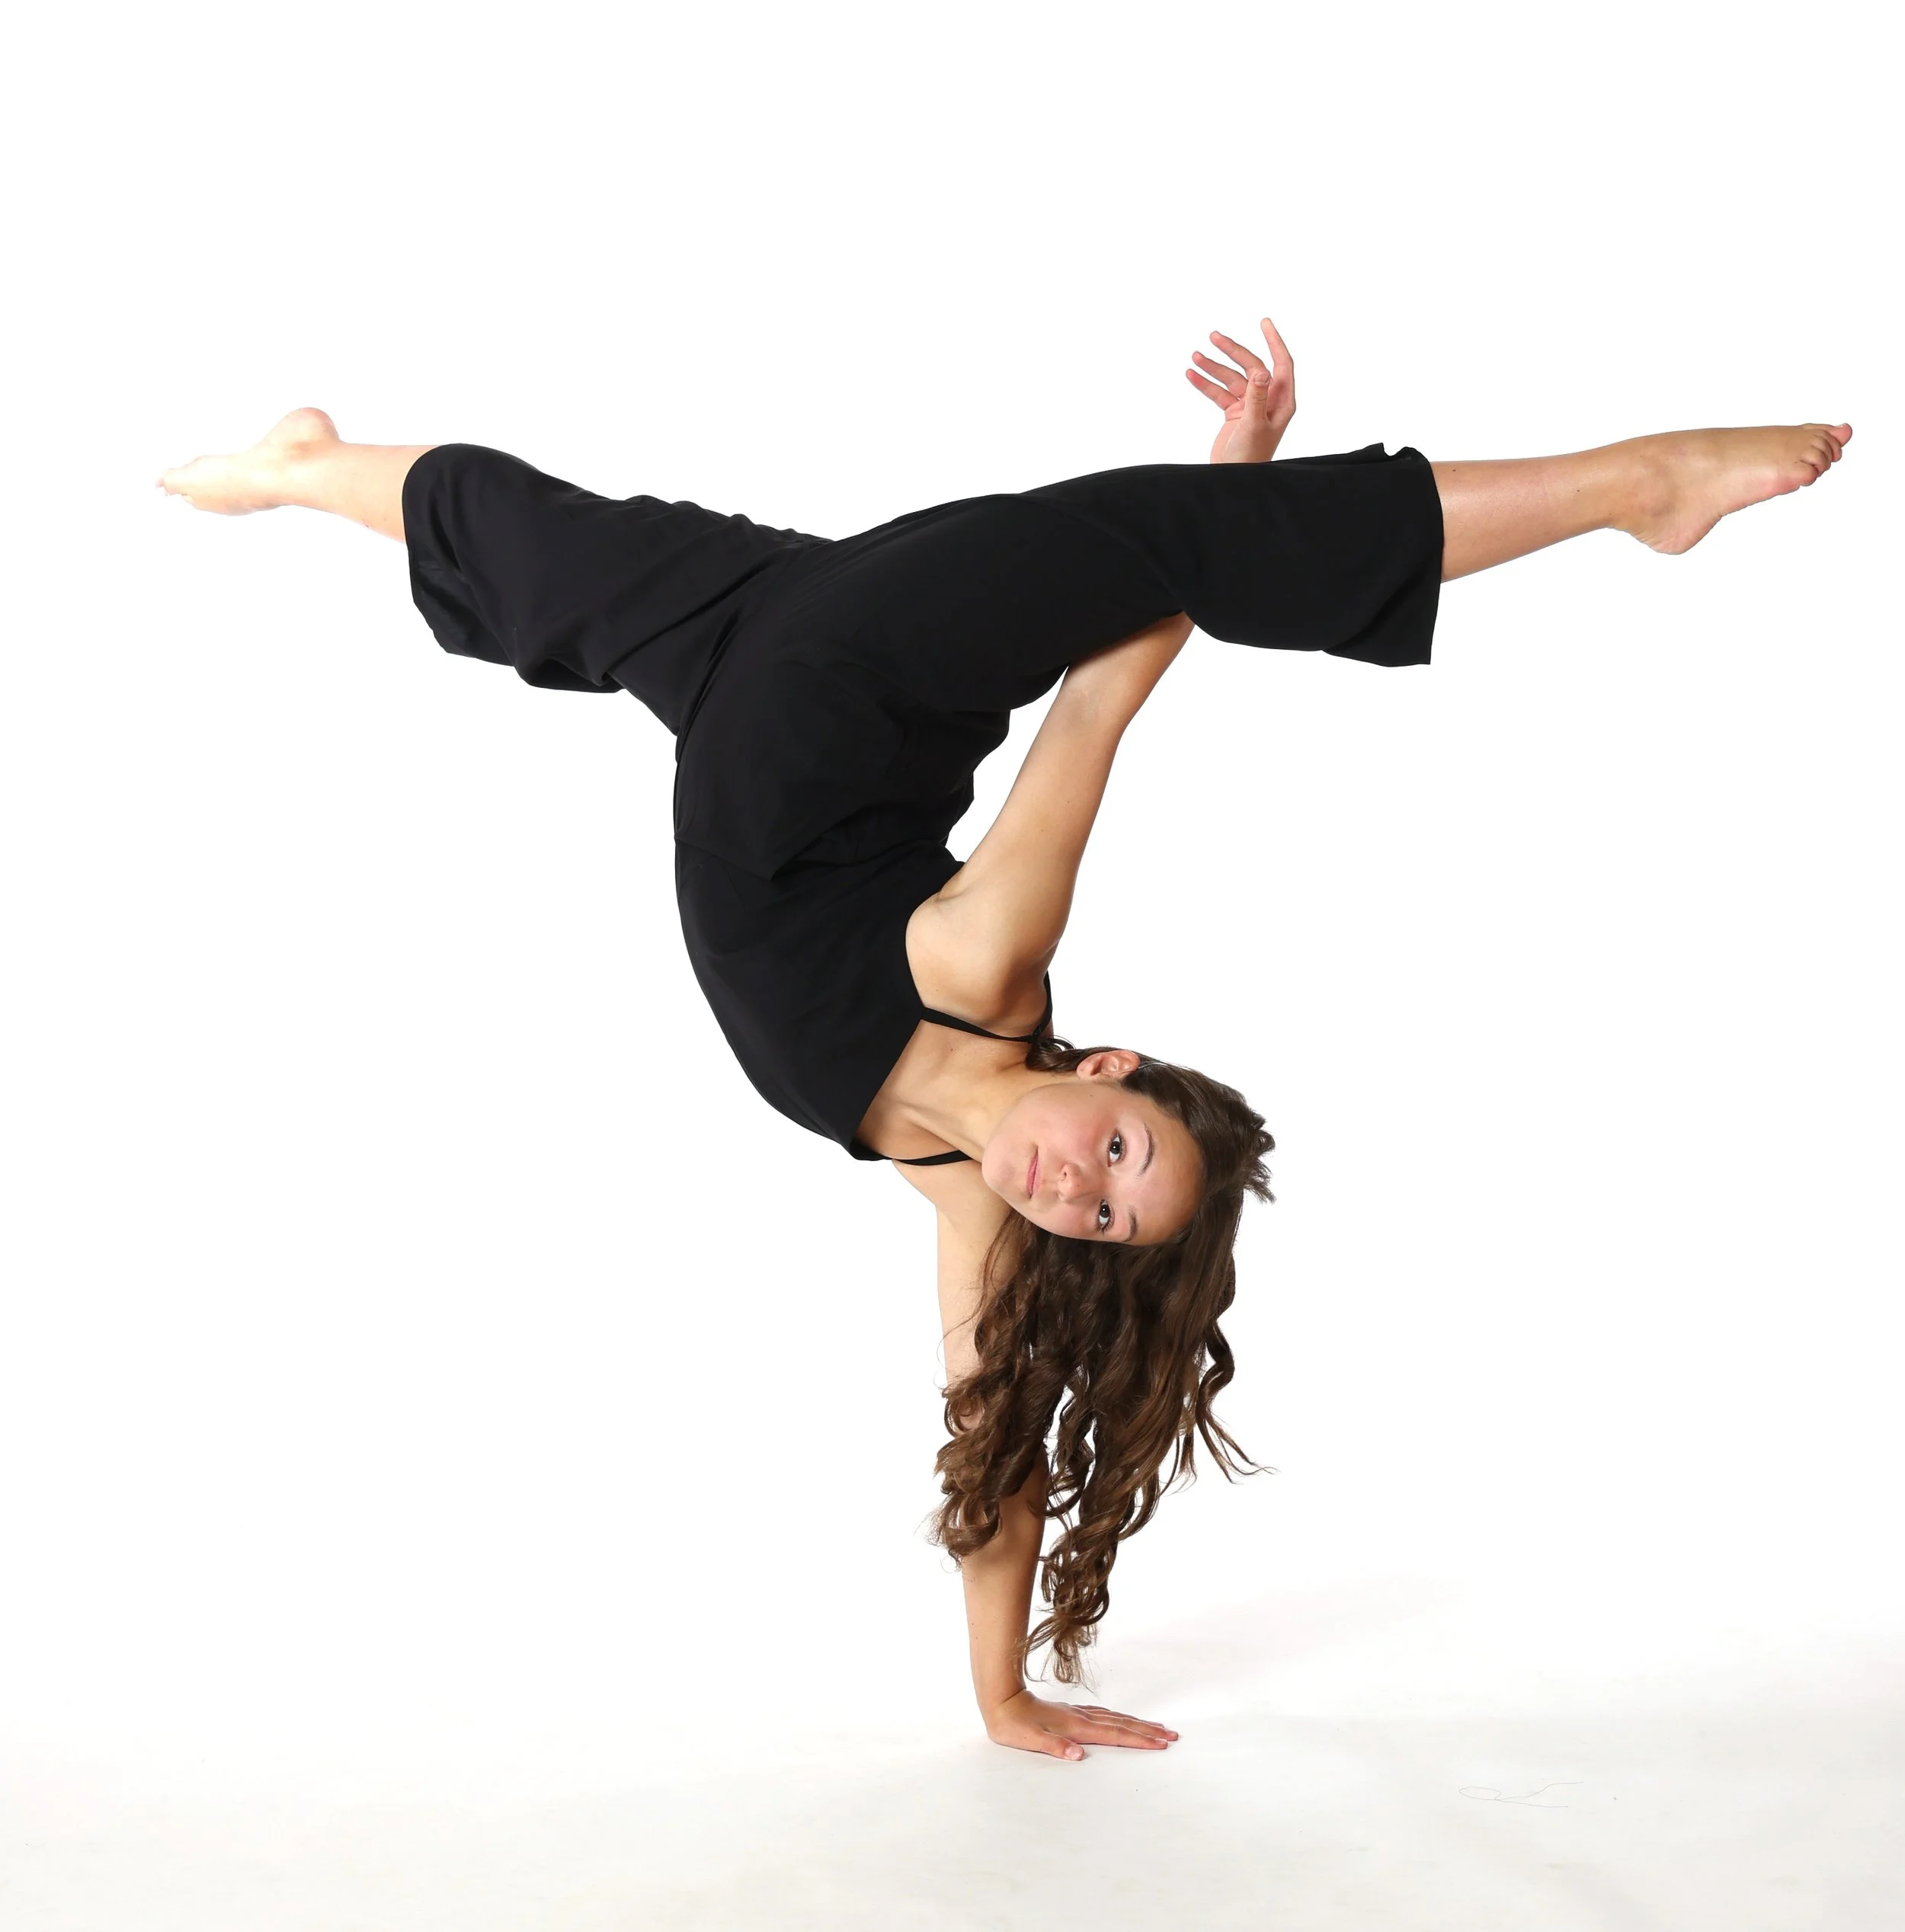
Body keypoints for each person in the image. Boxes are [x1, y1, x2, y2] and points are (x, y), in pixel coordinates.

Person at [158, 318, 1850, 1763]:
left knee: (517, 542)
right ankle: (1636, 483)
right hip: (868, 664)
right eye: (1115, 1152)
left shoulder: (960, 1194)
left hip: (744, 654)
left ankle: (300, 461)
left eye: (1102, 1214)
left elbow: (996, 1440)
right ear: (1100, 1071)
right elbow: (1101, 689)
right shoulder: (987, 958)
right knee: (1130, 542)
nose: (1075, 1184)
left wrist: (1005, 1693)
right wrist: (1222, 495)